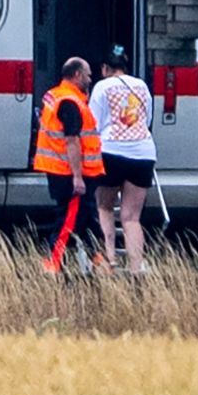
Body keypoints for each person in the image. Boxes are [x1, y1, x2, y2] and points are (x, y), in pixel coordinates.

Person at [32, 55, 104, 272]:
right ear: (77, 75)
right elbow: (72, 141)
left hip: (60, 169)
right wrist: (77, 177)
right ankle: (53, 263)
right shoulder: (70, 103)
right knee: (68, 220)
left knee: (87, 215)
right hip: (69, 172)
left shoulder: (56, 95)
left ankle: (97, 256)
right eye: (88, 75)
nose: (90, 79)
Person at [90, 46, 157, 273]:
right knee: (132, 217)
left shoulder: (102, 87)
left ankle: (109, 260)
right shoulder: (142, 86)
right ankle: (136, 267)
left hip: (112, 151)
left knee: (105, 206)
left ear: (105, 68)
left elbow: (94, 123)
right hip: (143, 153)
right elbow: (147, 119)